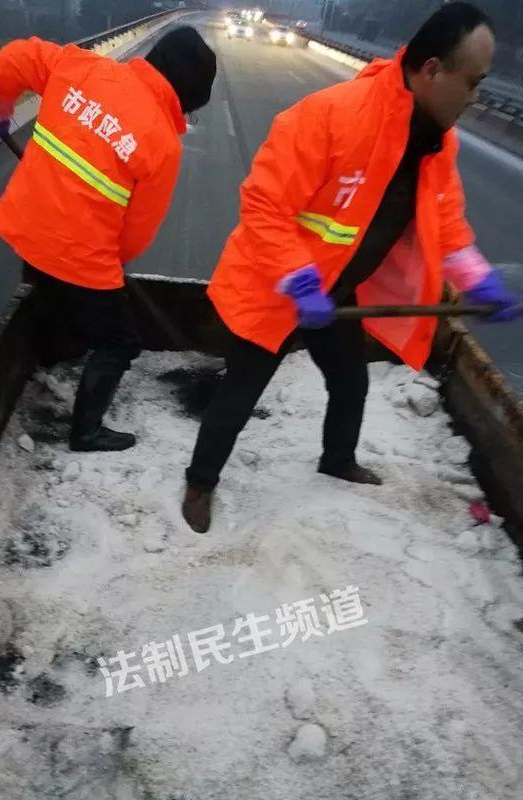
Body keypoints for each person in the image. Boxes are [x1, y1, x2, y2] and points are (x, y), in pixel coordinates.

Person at [182, 2, 522, 533]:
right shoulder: (333, 115)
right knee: (238, 396)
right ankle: (200, 484)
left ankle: (337, 460)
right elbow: (264, 204)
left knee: (349, 383)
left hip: (337, 291)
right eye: (472, 82)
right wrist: (299, 281)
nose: (475, 97)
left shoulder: (436, 142)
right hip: (281, 287)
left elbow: (446, 219)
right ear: (431, 70)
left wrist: (476, 275)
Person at [0, 27, 216, 452]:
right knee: (120, 341)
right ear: (186, 95)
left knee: (51, 296)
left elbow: (12, 57)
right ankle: (86, 431)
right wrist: (110, 268)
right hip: (77, 253)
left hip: (26, 228)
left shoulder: (81, 68)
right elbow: (136, 233)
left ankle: (49, 359)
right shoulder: (161, 142)